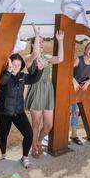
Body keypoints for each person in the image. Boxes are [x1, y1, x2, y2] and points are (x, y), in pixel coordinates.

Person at [0, 54, 44, 168]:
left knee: (29, 134)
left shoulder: (22, 76)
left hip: (18, 112)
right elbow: (3, 81)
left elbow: (34, 79)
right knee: (3, 135)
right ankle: (3, 155)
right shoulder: (5, 75)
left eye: (18, 65)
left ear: (21, 65)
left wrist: (39, 69)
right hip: (4, 112)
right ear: (9, 64)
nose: (16, 67)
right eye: (14, 64)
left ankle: (25, 157)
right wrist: (8, 70)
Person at [24, 26, 65, 158]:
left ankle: (39, 141)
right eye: (38, 41)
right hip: (36, 90)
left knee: (48, 125)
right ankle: (34, 146)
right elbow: (35, 54)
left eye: (42, 42)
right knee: (36, 123)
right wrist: (37, 34)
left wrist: (60, 41)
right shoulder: (29, 58)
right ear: (33, 43)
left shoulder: (46, 57)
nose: (41, 44)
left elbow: (60, 59)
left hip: (47, 91)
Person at [70, 41, 90, 145]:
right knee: (73, 111)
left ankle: (74, 135)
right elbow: (67, 70)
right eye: (89, 49)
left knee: (76, 112)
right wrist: (73, 81)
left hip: (83, 88)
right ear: (85, 50)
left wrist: (89, 81)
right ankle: (73, 135)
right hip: (72, 87)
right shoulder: (79, 60)